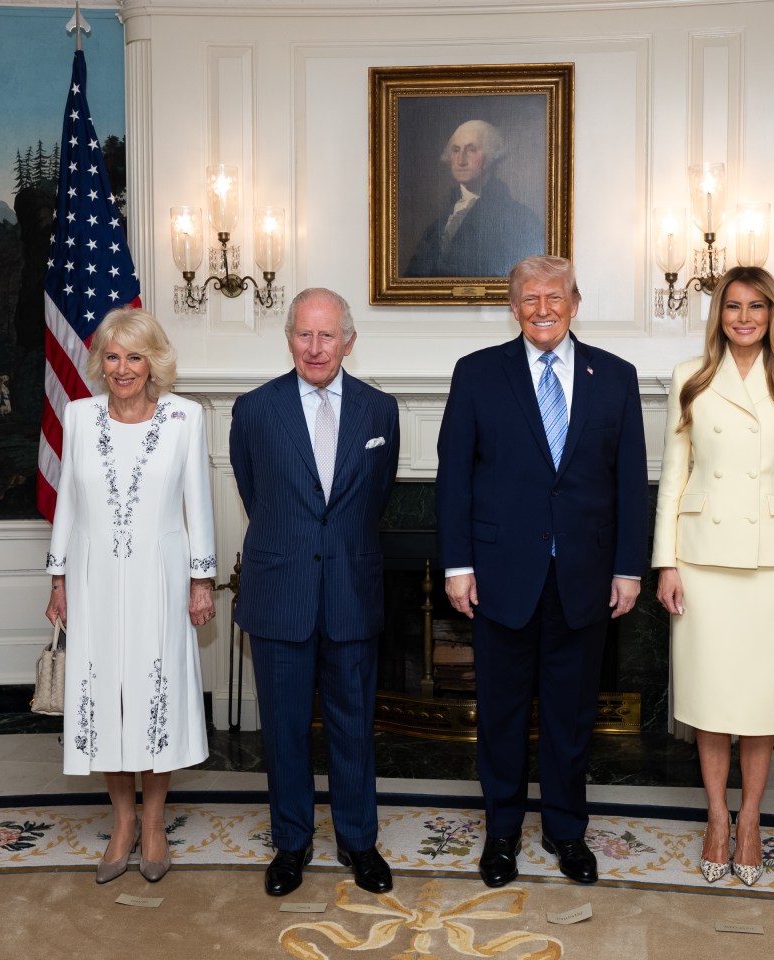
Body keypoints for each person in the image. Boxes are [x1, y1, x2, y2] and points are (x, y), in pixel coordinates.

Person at [436, 255, 648, 888]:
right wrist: (457, 565)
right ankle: (501, 834)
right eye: (529, 298)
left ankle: (565, 831)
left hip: (585, 578)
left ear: (575, 302)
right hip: (500, 578)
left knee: (570, 718)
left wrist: (628, 569)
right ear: (513, 307)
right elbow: (454, 479)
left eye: (554, 296)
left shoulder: (615, 376)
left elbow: (629, 482)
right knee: (500, 716)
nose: (542, 309)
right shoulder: (476, 374)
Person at [651, 266, 774, 887]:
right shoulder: (689, 379)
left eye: (756, 306)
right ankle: (716, 818)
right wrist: (665, 562)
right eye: (733, 306)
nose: (744, 317)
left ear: (772, 313)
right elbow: (674, 477)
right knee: (710, 699)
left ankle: (750, 818)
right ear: (718, 314)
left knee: (759, 701)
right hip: (701, 562)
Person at [229, 288, 401, 897]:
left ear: (349, 341)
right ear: (289, 338)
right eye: (304, 334)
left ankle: (359, 843)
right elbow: (257, 496)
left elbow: (373, 501)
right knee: (283, 729)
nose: (315, 347)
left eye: (328, 336)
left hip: (353, 593)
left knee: (354, 727)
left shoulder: (381, 411)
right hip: (281, 595)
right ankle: (291, 844)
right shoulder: (253, 410)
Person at [44, 307, 217, 885]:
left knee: (151, 694)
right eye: (113, 356)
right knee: (105, 696)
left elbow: (199, 502)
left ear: (154, 363)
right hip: (92, 579)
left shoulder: (185, 418)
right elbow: (68, 499)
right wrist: (58, 578)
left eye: (135, 357)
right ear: (101, 362)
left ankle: (153, 823)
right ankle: (121, 823)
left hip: (161, 579)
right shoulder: (78, 414)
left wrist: (200, 580)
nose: (123, 369)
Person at [404, 119, 545, 278]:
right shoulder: (438, 225)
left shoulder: (521, 219)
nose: (461, 160)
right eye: (456, 150)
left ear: (492, 156)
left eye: (471, 150)